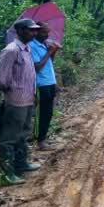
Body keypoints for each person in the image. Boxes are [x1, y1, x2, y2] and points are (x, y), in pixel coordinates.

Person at [0, 19, 42, 185]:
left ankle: (21, 164)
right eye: (31, 30)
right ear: (20, 30)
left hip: (28, 99)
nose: (34, 33)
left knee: (23, 134)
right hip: (15, 101)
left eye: (35, 30)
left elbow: (30, 75)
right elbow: (2, 80)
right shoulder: (11, 50)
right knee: (9, 137)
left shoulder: (26, 49)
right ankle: (8, 174)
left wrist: (33, 94)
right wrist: (14, 92)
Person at [30, 22, 59, 151]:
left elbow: (49, 63)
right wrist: (49, 52)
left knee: (48, 113)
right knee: (41, 112)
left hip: (50, 82)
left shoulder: (43, 44)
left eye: (48, 32)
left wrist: (53, 52)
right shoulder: (31, 46)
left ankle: (43, 138)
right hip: (41, 83)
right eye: (43, 32)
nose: (46, 35)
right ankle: (39, 140)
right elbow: (36, 67)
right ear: (36, 32)